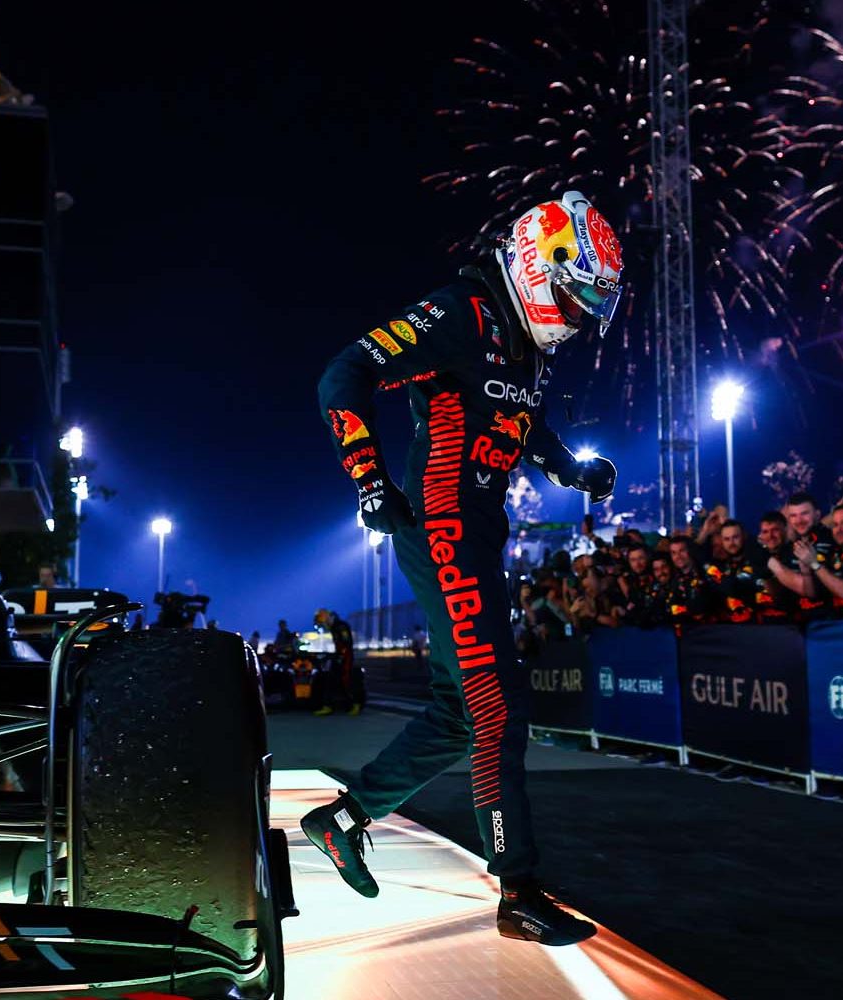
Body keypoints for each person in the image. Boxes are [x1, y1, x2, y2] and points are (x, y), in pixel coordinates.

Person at [302, 190, 620, 946]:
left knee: (459, 710)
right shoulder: (458, 313)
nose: (576, 321)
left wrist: (571, 471)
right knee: (498, 704)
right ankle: (517, 890)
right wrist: (367, 477)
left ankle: (341, 821)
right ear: (543, 270)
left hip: (479, 535)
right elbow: (341, 374)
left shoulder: (521, 341)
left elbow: (519, 420)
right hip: (442, 528)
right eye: (574, 301)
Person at [312, 608, 363, 716]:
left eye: (323, 623)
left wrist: (339, 657)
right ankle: (328, 706)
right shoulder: (334, 627)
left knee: (347, 680)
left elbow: (346, 643)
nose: (324, 626)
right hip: (339, 657)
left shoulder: (341, 626)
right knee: (330, 680)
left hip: (345, 658)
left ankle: (356, 704)